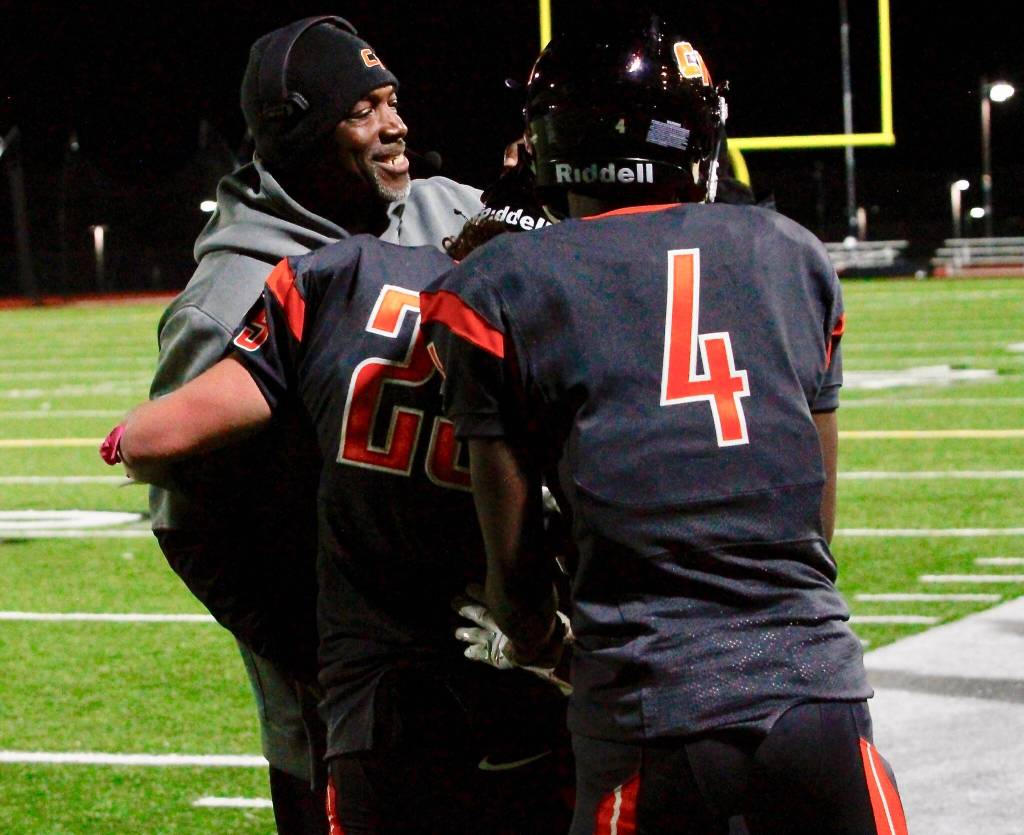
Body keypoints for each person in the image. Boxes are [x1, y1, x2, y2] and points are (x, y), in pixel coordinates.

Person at [421, 16, 909, 835]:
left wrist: (545, 648)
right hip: (820, 704)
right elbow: (812, 528)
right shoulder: (794, 254)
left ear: (547, 139)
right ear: (699, 142)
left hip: (650, 717)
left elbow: (517, 579)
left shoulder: (495, 284)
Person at [100, 170, 574, 833]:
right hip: (520, 702)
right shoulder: (570, 320)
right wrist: (557, 644)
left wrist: (128, 442)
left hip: (374, 708)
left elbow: (159, 435)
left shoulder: (341, 273)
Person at [142, 15, 481, 833]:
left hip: (485, 682)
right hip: (344, 719)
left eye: (393, 100)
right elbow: (191, 521)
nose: (396, 124)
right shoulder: (232, 298)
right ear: (300, 135)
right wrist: (323, 654)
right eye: (364, 109)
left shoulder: (450, 216)